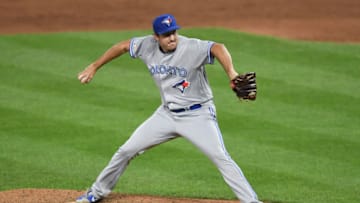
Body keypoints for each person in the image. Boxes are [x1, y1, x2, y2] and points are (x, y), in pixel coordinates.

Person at [76, 14, 262, 203]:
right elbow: (122, 46)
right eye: (166, 35)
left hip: (198, 115)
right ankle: (96, 193)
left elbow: (218, 47)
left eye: (174, 32)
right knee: (126, 151)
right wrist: (94, 66)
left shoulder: (190, 47)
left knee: (220, 157)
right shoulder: (146, 45)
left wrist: (231, 72)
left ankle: (251, 201)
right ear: (156, 37)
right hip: (166, 115)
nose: (172, 38)